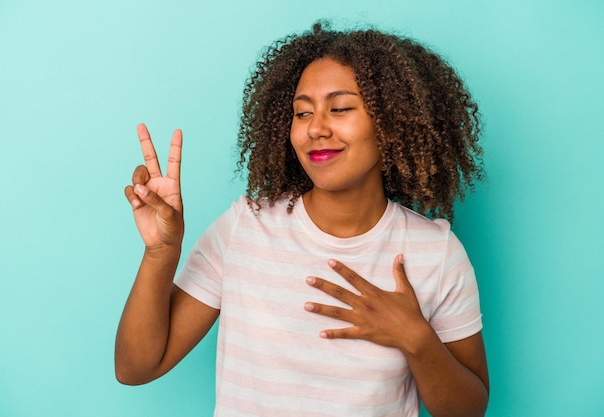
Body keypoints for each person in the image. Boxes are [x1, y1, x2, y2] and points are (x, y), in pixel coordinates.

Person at [115, 22, 489, 417]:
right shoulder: (245, 228)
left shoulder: (436, 253)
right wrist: (160, 252)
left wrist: (416, 339)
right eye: (302, 112)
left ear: (393, 123)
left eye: (341, 108)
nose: (315, 128)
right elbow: (136, 368)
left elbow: (468, 410)